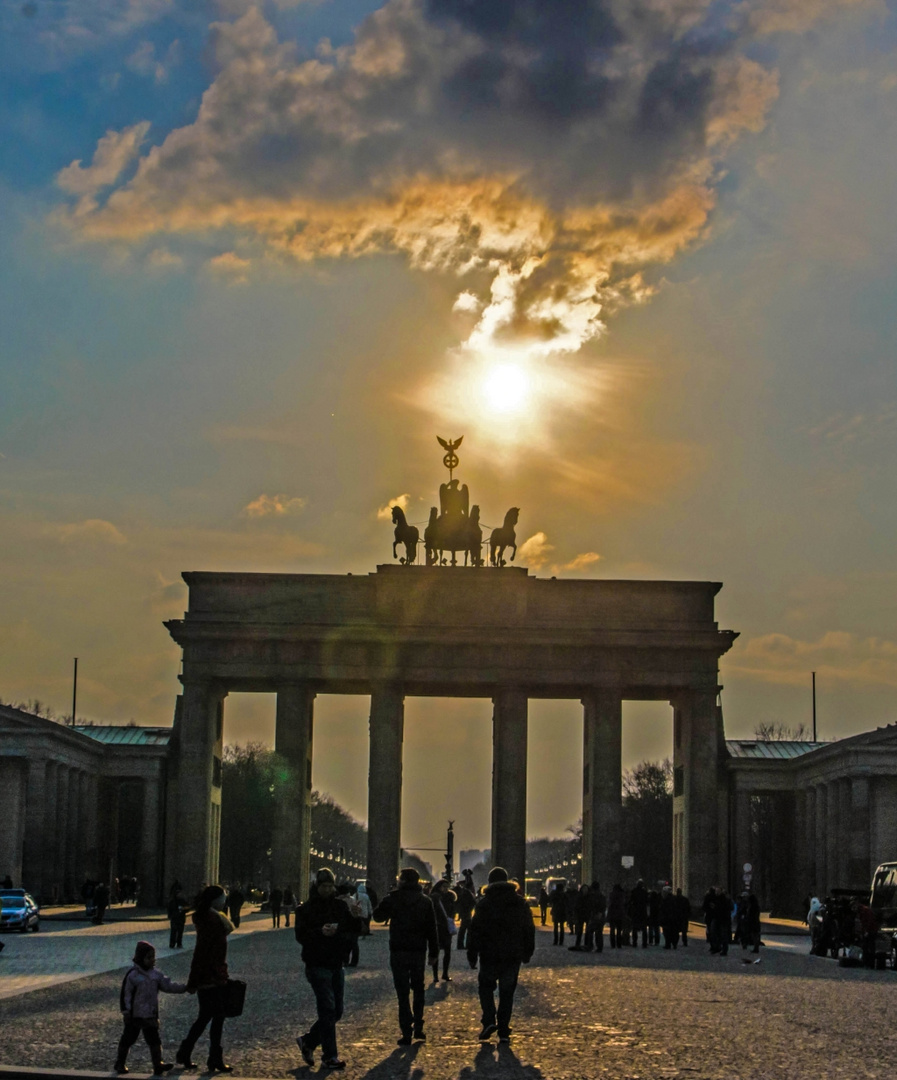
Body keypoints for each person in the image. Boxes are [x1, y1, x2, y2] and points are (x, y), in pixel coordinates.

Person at [294, 868, 363, 1072]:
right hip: (316, 964)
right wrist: (320, 932)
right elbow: (301, 936)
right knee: (327, 1009)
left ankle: (308, 1041)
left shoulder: (340, 906)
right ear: (318, 886)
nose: (328, 889)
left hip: (336, 963)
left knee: (337, 1011)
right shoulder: (306, 909)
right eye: (324, 886)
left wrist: (355, 917)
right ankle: (329, 1056)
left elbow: (353, 931)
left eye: (330, 886)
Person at [467, 866, 535, 1044]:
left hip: (489, 953)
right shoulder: (520, 903)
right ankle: (503, 1028)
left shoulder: (484, 903)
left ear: (489, 882)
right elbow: (529, 928)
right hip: (512, 954)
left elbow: (475, 931)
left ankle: (489, 1020)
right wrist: (528, 951)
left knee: (486, 987)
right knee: (507, 991)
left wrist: (472, 954)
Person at [372, 867, 439, 1045]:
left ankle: (406, 1031)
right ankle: (418, 1025)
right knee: (418, 989)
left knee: (402, 993)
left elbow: (378, 917)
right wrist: (433, 953)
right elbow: (432, 929)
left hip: (398, 950)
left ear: (402, 881)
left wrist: (386, 898)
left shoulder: (393, 898)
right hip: (418, 951)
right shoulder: (425, 901)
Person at [177, 885, 234, 1073]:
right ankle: (214, 1058)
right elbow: (201, 952)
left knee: (206, 1016)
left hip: (211, 974)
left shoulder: (212, 918)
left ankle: (186, 1052)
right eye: (223, 897)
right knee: (217, 1016)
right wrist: (193, 981)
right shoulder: (212, 921)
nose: (225, 901)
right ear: (214, 900)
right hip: (211, 976)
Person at [115, 941, 187, 1075]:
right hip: (135, 1015)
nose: (152, 960)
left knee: (154, 1041)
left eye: (153, 957)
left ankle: (157, 1064)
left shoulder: (156, 975)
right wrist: (126, 1012)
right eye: (149, 957)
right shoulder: (133, 975)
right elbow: (126, 995)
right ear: (141, 958)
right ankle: (120, 1062)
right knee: (128, 1039)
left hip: (150, 1014)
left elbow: (168, 985)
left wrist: (185, 988)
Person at [429, 880, 457, 982]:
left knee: (446, 952)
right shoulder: (436, 898)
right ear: (440, 887)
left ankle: (443, 973)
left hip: (443, 927)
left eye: (447, 887)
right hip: (438, 927)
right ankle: (437, 975)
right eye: (444, 886)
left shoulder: (438, 897)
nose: (446, 889)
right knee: (437, 952)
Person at [454, 879, 476, 950]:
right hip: (467, 913)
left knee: (463, 929)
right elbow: (473, 902)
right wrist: (470, 908)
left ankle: (460, 945)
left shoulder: (461, 892)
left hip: (463, 912)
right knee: (468, 930)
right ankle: (467, 944)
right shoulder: (467, 892)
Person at [585, 881, 606, 952]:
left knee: (590, 930)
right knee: (599, 932)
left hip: (595, 915)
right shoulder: (601, 896)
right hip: (600, 915)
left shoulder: (593, 896)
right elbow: (603, 906)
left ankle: (590, 945)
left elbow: (591, 905)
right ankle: (599, 947)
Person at [629, 879, 649, 947]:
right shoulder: (644, 892)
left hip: (635, 911)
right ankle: (644, 943)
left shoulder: (634, 891)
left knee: (634, 928)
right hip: (643, 911)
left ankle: (635, 942)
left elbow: (631, 901)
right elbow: (647, 901)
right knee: (644, 929)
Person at [167, 882, 188, 949]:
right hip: (174, 918)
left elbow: (187, 908)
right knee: (173, 931)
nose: (179, 894)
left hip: (181, 918)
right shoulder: (172, 901)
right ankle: (172, 944)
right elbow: (169, 909)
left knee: (180, 932)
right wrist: (170, 916)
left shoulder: (183, 901)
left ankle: (179, 943)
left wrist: (184, 909)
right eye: (178, 893)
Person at [606, 884, 626, 948]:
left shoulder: (611, 895)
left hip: (612, 914)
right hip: (619, 914)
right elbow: (623, 904)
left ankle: (613, 943)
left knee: (612, 930)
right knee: (619, 930)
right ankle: (619, 943)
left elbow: (609, 904)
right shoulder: (621, 895)